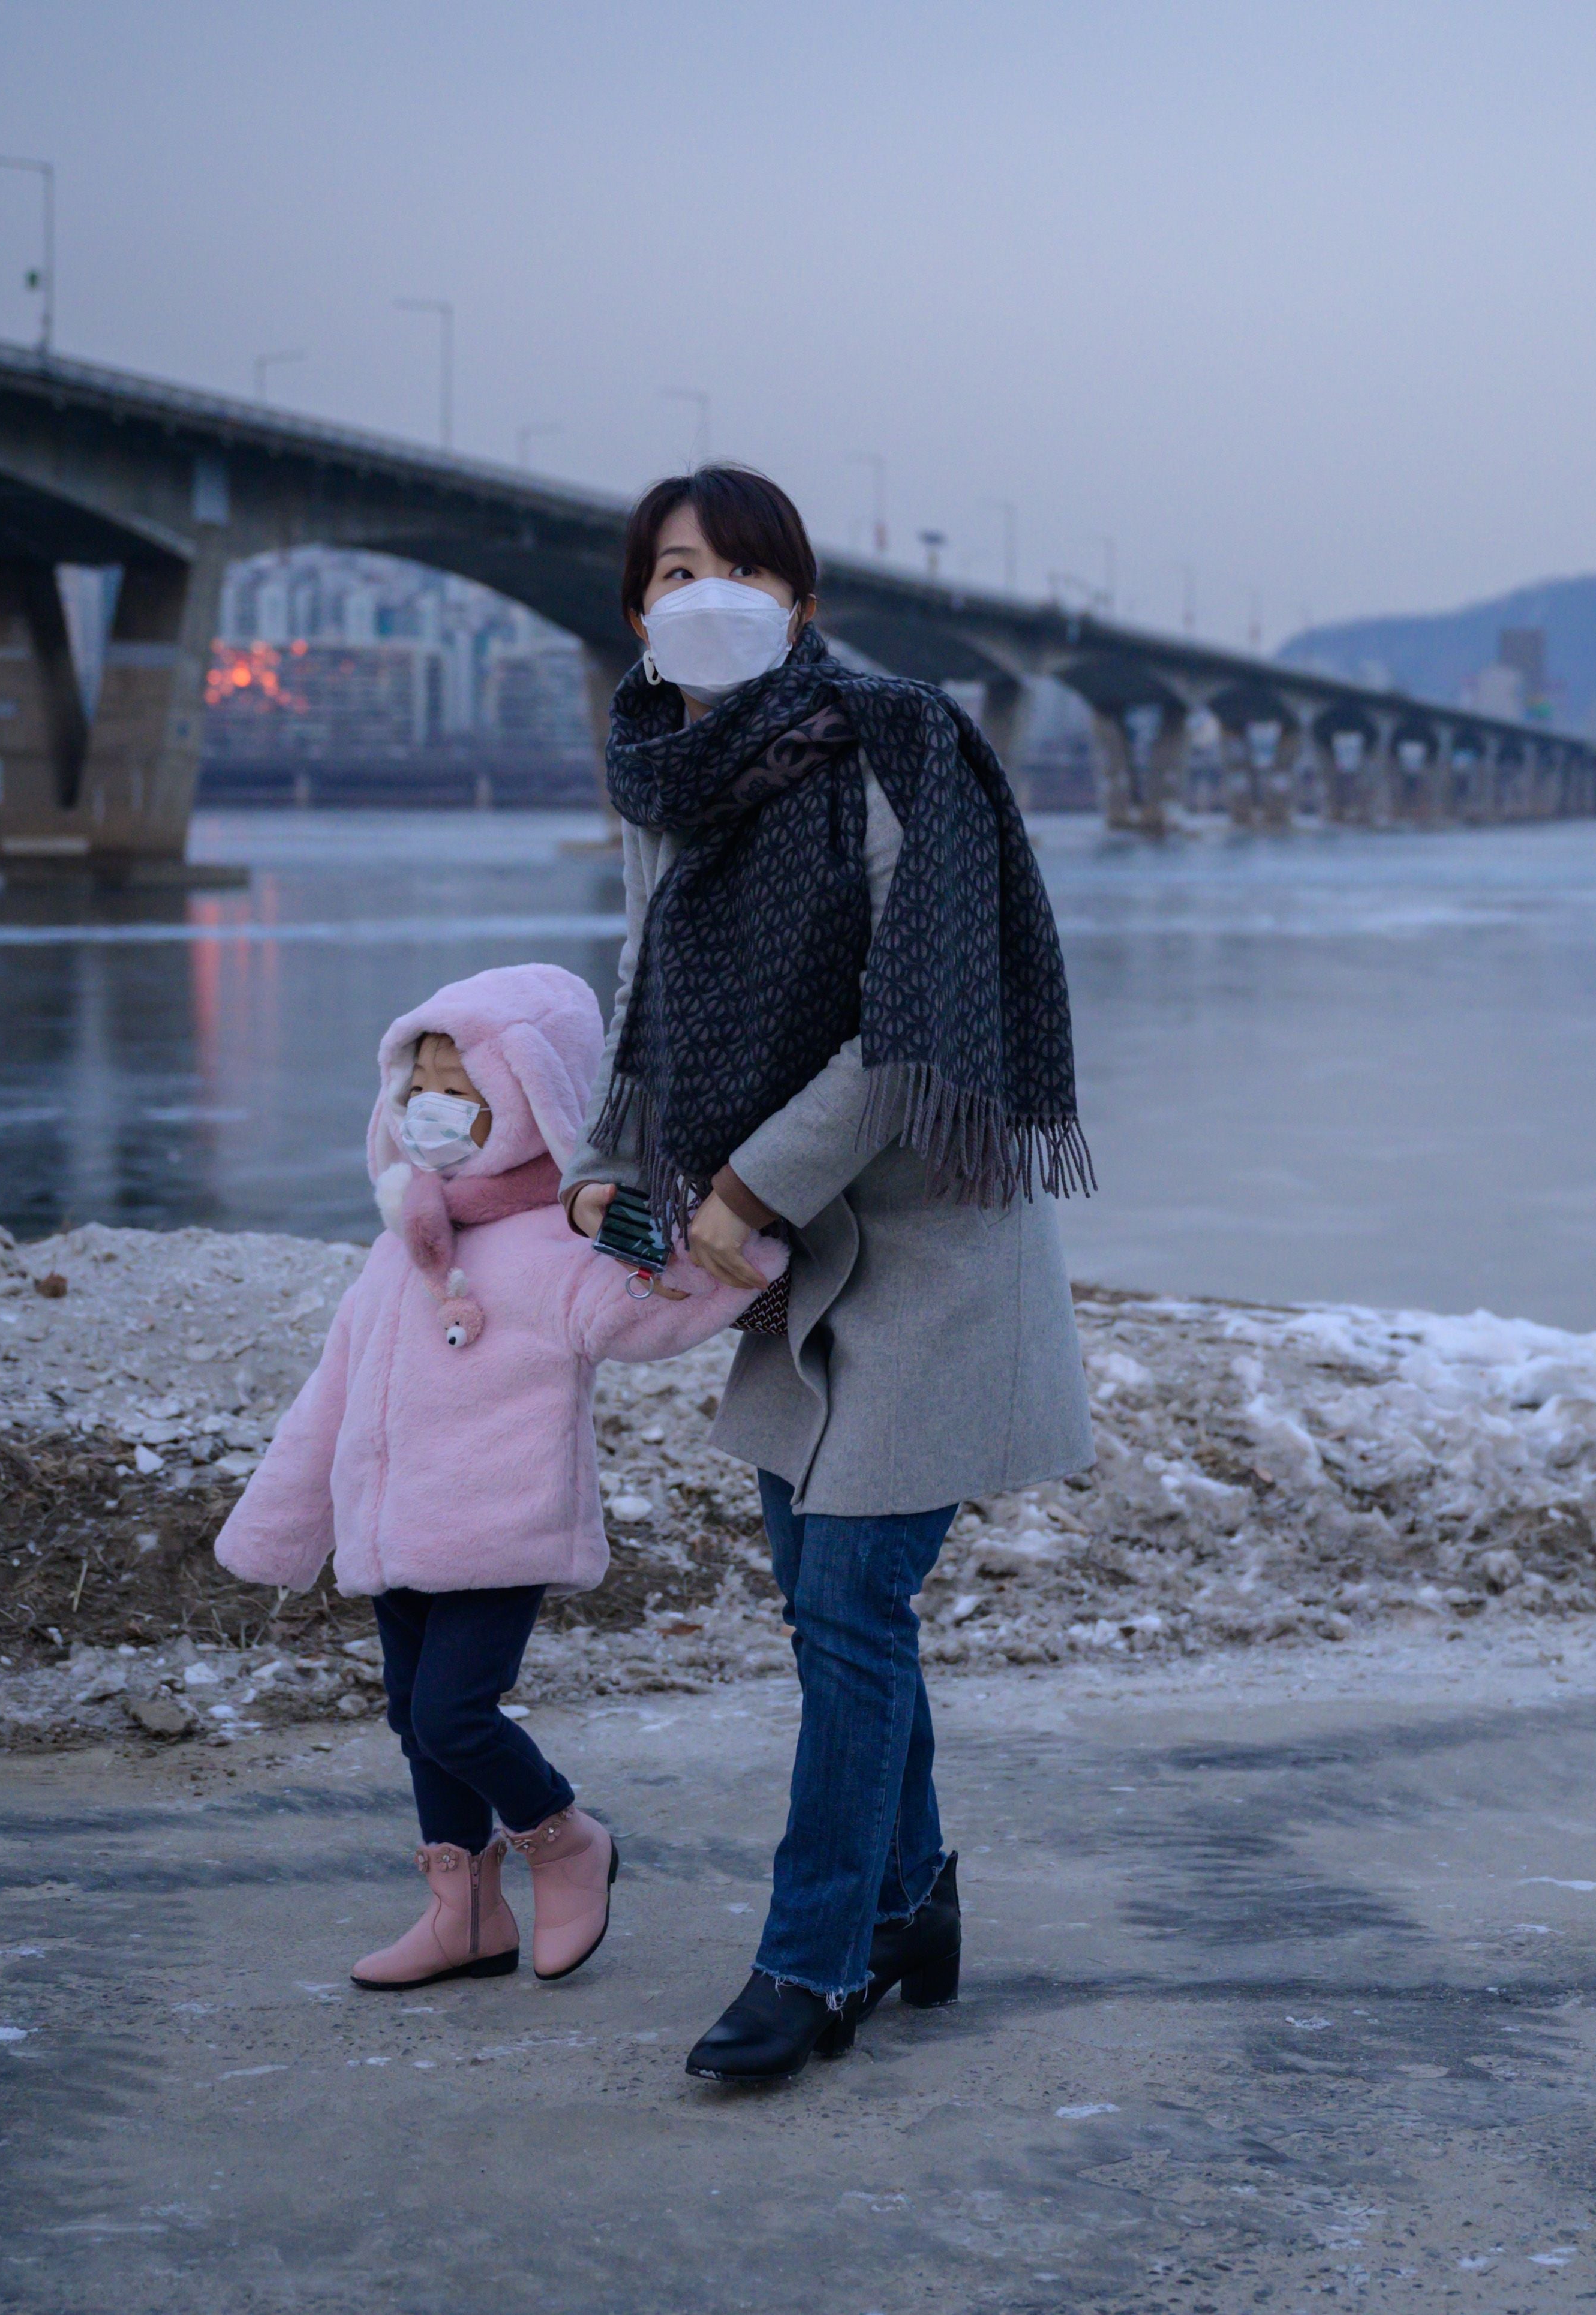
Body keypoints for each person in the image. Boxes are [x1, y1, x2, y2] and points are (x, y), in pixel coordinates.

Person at [564, 465, 1093, 2085]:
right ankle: (919, 1893)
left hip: (923, 1243)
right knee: (824, 1602)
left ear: (798, 595)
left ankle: (816, 1960)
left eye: (732, 565)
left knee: (853, 1608)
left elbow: (910, 1026)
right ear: (637, 607)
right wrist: (606, 1152)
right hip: (789, 1264)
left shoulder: (895, 745)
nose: (697, 590)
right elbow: (650, 985)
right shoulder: (672, 770)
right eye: (666, 569)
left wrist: (739, 1185)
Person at [215, 963, 779, 1991]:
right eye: (419, 1085)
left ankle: (565, 1841)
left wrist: (602, 1208)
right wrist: (283, 1524)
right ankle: (462, 1912)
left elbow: (687, 1280)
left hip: (496, 1528)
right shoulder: (406, 1245)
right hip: (392, 1533)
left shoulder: (558, 1244)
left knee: (452, 1716)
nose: (432, 1109)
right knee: (411, 1722)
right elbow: (329, 1399)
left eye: (461, 1089)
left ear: (532, 1101)